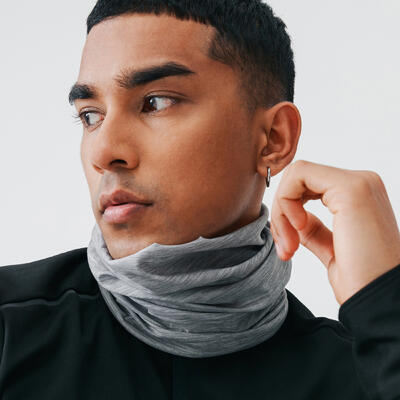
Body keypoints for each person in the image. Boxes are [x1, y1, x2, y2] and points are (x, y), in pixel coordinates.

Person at [0, 0, 399, 398]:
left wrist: (384, 300)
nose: (103, 152)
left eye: (155, 102)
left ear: (273, 139)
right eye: (90, 115)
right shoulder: (9, 330)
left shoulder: (363, 374)